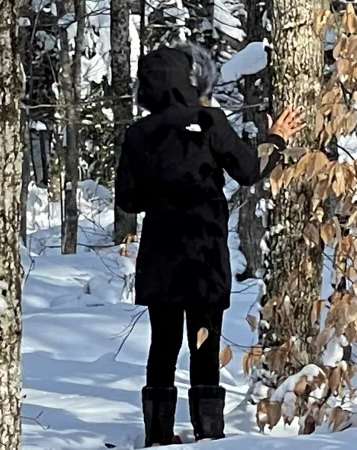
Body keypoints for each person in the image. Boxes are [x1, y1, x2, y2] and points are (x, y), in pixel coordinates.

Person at [115, 43, 305, 447]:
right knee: (204, 343)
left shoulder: (137, 133)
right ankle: (210, 438)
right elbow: (249, 170)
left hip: (161, 258)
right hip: (204, 256)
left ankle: (158, 437)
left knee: (162, 346)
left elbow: (128, 201)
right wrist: (276, 138)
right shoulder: (209, 119)